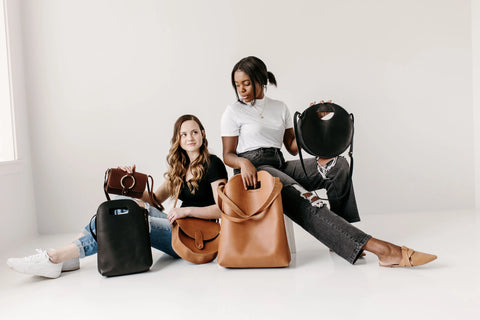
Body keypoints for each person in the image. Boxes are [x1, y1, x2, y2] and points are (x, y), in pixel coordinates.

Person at [221, 56, 436, 267]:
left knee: (337, 165)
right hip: (255, 172)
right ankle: (385, 251)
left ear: (261, 80)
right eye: (237, 85)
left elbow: (293, 147)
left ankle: (342, 237)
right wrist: (243, 163)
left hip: (279, 163)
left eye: (246, 83)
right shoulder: (233, 112)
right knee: (307, 200)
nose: (242, 89)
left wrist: (312, 122)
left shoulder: (279, 108)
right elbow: (228, 154)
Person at [7, 114, 228, 278]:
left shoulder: (213, 164)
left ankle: (54, 258)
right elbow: (153, 200)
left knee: (130, 220)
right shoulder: (180, 169)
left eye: (194, 132)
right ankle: (69, 255)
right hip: (179, 225)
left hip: (195, 238)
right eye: (184, 134)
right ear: (178, 139)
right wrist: (129, 181)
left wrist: (186, 210)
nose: (190, 137)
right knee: (127, 208)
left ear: (203, 134)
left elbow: (222, 208)